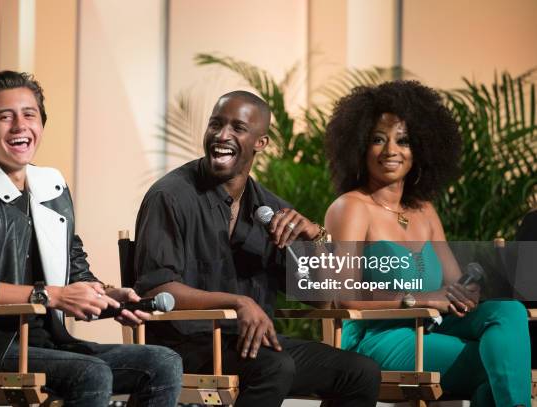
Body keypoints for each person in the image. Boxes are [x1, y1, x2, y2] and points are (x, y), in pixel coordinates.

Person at [0, 71, 182, 407]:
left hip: (50, 340)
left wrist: (107, 296)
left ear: (41, 125)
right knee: (91, 373)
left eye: (29, 114)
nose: (20, 125)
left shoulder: (51, 186)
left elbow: (74, 270)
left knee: (164, 363)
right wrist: (53, 295)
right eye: (5, 117)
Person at [134, 90, 381, 407]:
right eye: (215, 124)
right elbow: (157, 288)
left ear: (260, 142)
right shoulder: (169, 196)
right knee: (275, 367)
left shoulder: (271, 209)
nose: (222, 136)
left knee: (360, 373)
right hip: (184, 343)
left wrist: (314, 239)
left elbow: (320, 298)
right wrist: (238, 302)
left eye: (237, 128)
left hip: (251, 344)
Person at [324, 80, 531, 406]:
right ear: (359, 146)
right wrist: (418, 300)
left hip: (433, 329)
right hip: (379, 337)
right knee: (501, 361)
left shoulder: (425, 211)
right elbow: (342, 302)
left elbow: (451, 285)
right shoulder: (350, 208)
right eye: (378, 140)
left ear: (420, 149)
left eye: (403, 141)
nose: (390, 150)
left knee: (508, 312)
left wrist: (467, 291)